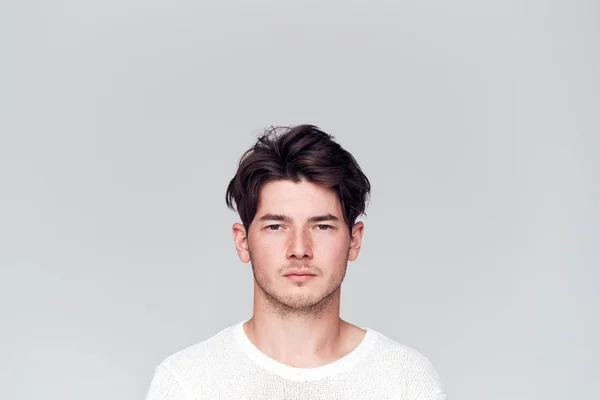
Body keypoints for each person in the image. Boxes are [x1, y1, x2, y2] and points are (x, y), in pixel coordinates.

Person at [145, 125, 446, 399]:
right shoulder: (186, 383)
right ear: (242, 241)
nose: (299, 249)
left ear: (354, 240)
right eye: (276, 226)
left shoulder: (406, 381)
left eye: (322, 226)